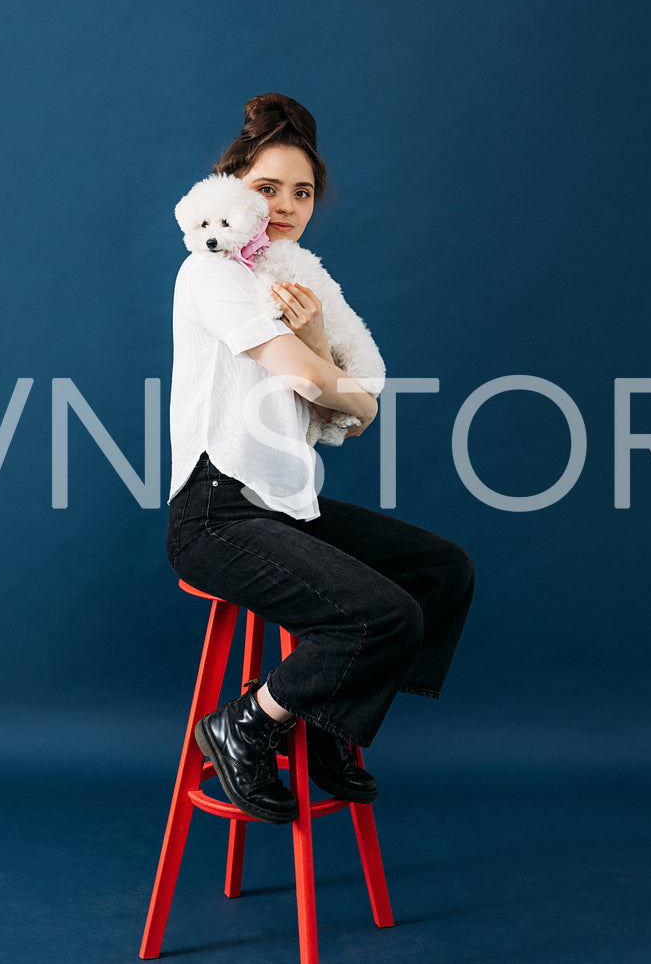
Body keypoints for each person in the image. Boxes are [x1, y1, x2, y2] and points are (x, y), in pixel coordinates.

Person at [166, 93, 475, 824]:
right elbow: (328, 390)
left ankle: (319, 725)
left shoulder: (298, 279)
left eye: (300, 193)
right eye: (267, 188)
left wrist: (334, 378)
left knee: (442, 571)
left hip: (283, 507)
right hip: (216, 512)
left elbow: (360, 404)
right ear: (230, 183)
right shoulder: (212, 274)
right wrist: (332, 379)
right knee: (381, 617)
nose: (284, 205)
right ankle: (246, 723)